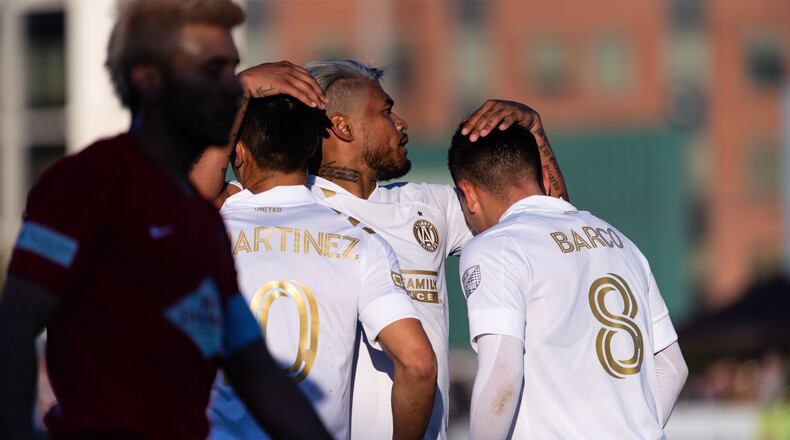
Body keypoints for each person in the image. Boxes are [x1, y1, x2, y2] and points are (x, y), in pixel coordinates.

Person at [0, 1, 330, 439]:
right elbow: (16, 326)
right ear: (150, 82)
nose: (235, 91)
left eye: (235, 71)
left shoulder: (201, 218)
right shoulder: (87, 182)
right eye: (214, 72)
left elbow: (255, 371)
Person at [192, 59, 569, 440]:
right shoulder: (290, 203)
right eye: (387, 111)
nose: (402, 123)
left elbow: (542, 222)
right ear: (341, 126)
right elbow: (189, 198)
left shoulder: (431, 206)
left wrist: (534, 130)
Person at [209, 95, 437, 440]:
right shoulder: (361, 243)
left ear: (238, 153)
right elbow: (418, 365)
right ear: (313, 146)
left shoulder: (203, 234)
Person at [449, 125, 688, 439]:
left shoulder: (495, 247)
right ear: (546, 181)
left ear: (469, 195)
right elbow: (673, 366)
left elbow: (502, 374)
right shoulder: (621, 242)